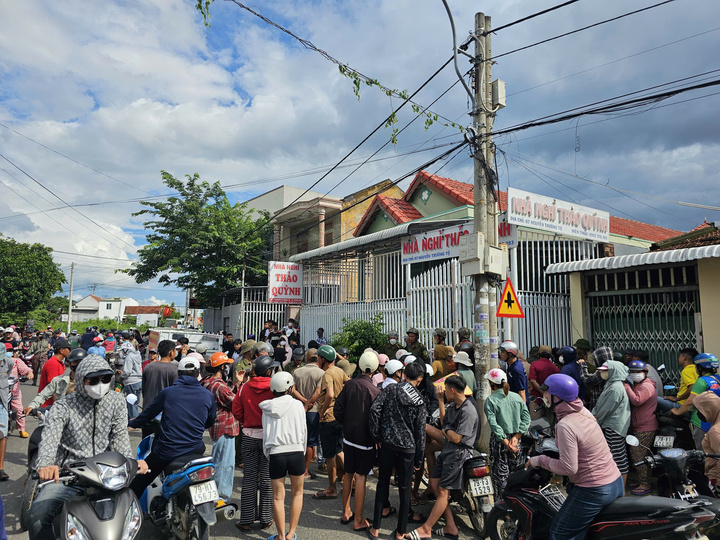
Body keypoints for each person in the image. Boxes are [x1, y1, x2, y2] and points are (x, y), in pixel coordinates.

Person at [29, 355, 139, 539]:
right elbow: (50, 438)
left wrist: (129, 461)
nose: (100, 384)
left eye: (105, 379)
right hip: (69, 475)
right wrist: (46, 464)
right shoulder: (63, 406)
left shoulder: (117, 401)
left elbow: (120, 436)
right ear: (80, 380)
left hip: (106, 473)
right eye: (93, 380)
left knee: (130, 513)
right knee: (37, 515)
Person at [526, 373, 623, 539]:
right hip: (615, 481)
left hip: (594, 489)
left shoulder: (565, 425)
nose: (545, 396)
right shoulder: (583, 412)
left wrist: (540, 460)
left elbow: (569, 467)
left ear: (557, 398)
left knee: (559, 533)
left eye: (547, 393)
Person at [128, 357, 215, 498]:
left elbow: (148, 414)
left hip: (168, 450)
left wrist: (132, 423)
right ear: (198, 373)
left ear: (178, 373)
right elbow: (210, 421)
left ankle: (128, 507)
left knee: (139, 481)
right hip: (195, 447)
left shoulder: (168, 393)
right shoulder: (208, 395)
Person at [407, 375, 479, 540]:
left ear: (452, 390)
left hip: (458, 454)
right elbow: (443, 422)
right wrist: (440, 401)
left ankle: (426, 528)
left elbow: (457, 438)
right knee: (434, 484)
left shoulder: (468, 410)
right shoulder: (454, 405)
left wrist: (446, 431)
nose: (444, 392)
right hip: (448, 451)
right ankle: (451, 526)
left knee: (443, 491)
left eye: (445, 390)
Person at [368, 361, 426, 540]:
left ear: (404, 374)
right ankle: (400, 532)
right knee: (405, 489)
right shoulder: (419, 399)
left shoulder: (391, 389)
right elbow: (420, 432)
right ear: (420, 379)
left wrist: (377, 436)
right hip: (408, 449)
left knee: (383, 483)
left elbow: (374, 410)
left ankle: (375, 528)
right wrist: (419, 458)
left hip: (388, 445)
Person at [335, 350, 381, 532]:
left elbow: (338, 410)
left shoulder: (349, 385)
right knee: (361, 476)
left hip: (349, 438)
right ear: (375, 369)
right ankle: (359, 519)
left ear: (360, 366)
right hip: (365, 441)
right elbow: (377, 420)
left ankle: (346, 512)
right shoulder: (375, 391)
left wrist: (346, 424)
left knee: (348, 473)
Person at [260, 371, 307, 540]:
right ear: (289, 388)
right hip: (296, 451)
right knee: (297, 493)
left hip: (276, 453)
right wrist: (301, 451)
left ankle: (280, 536)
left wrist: (269, 454)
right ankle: (291, 533)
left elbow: (266, 434)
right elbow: (303, 431)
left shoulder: (267, 407)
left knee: (278, 497)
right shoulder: (298, 405)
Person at [233, 354, 275, 531]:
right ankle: (266, 518)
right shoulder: (274, 387)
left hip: (249, 435)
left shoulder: (244, 387)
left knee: (249, 477)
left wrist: (246, 421)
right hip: (268, 437)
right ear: (268, 371)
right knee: (266, 477)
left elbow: (236, 410)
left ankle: (246, 520)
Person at [484, 368, 530, 497]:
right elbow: (526, 419)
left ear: (492, 384)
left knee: (500, 476)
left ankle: (502, 503)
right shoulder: (517, 397)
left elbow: (494, 424)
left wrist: (505, 441)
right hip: (516, 442)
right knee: (516, 474)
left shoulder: (491, 400)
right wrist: (516, 437)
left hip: (500, 442)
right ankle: (515, 501)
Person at [201, 352, 240, 504]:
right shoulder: (218, 385)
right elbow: (235, 402)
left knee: (219, 462)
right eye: (226, 366)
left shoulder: (206, 381)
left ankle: (217, 497)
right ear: (222, 367)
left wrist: (237, 384)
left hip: (216, 426)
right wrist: (241, 385)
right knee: (225, 464)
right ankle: (220, 498)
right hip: (225, 427)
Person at [313, 344, 349, 500]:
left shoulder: (327, 373)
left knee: (329, 455)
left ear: (323, 359)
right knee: (339, 450)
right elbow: (348, 384)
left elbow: (329, 394)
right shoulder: (340, 371)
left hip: (328, 418)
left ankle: (331, 488)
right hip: (340, 417)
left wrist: (322, 412)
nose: (318, 360)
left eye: (318, 358)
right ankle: (354, 481)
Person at [592, 351, 631, 485]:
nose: (602, 373)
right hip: (611, 425)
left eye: (605, 371)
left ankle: (621, 489)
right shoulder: (611, 384)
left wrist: (594, 419)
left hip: (614, 427)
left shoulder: (615, 388)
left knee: (618, 458)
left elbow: (604, 409)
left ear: (613, 372)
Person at [623, 359, 658, 495]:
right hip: (639, 425)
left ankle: (645, 484)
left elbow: (637, 400)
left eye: (637, 371)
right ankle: (642, 480)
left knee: (638, 455)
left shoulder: (646, 386)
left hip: (645, 426)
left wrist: (626, 387)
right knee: (640, 455)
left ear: (645, 372)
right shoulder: (638, 384)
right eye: (632, 371)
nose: (634, 374)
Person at [672, 353, 720, 449]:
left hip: (701, 422)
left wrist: (677, 412)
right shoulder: (718, 379)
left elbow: (690, 401)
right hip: (716, 421)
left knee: (704, 452)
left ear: (700, 367)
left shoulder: (702, 381)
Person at [291, 348, 323, 478]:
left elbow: (293, 390)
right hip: (313, 411)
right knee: (310, 441)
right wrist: (309, 402)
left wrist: (304, 401)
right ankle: (305, 470)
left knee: (297, 439)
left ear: (306, 358)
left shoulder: (297, 371)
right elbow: (318, 392)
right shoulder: (321, 373)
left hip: (298, 408)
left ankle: (295, 468)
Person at [25, 348, 86, 415]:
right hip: (62, 416)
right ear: (69, 364)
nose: (78, 365)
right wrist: (32, 406)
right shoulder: (59, 380)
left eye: (81, 362)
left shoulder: (90, 382)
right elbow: (43, 395)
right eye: (75, 362)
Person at [657, 347, 699, 412]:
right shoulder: (696, 369)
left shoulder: (687, 370)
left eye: (679, 356)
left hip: (682, 405)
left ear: (684, 358)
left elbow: (692, 387)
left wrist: (677, 399)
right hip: (694, 405)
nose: (678, 359)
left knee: (654, 399)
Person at [693, 391, 720, 491]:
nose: (698, 414)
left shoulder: (715, 432)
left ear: (709, 409)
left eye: (700, 411)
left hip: (715, 478)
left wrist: (718, 487)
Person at [38, 338, 71, 407]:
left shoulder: (58, 362)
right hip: (48, 405)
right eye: (68, 349)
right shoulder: (53, 363)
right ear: (62, 350)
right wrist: (57, 405)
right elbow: (53, 387)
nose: (70, 351)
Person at [8, 345, 32, 437]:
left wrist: (29, 372)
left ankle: (22, 429)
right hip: (2, 391)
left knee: (19, 409)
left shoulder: (16, 361)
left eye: (9, 350)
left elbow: (25, 369)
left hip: (14, 391)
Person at [529, 345, 560, 415]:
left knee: (536, 421)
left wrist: (543, 393)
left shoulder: (534, 365)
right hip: (550, 401)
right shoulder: (554, 368)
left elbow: (533, 380)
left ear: (539, 353)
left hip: (536, 399)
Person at [118, 341, 142, 419]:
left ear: (126, 350)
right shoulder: (137, 355)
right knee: (135, 403)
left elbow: (127, 372)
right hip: (138, 382)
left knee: (131, 405)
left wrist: (120, 377)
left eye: (122, 350)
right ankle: (135, 419)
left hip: (131, 382)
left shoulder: (129, 357)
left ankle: (133, 422)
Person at [0, 347, 14, 481]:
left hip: (2, 403)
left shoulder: (8, 362)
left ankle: (0, 468)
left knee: (2, 434)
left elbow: (8, 374)